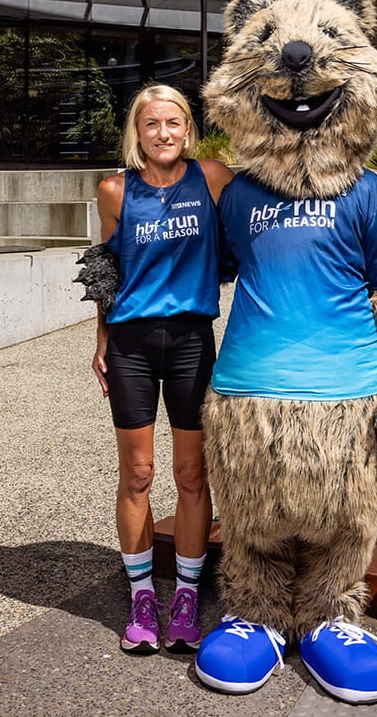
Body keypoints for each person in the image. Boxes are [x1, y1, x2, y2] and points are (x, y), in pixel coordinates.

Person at [92, 84, 233, 655]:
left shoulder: (215, 178)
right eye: (152, 124)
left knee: (193, 475)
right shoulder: (114, 191)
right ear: (137, 132)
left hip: (192, 342)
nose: (163, 133)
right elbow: (105, 270)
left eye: (173, 122)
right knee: (139, 474)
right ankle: (143, 595)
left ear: (188, 128)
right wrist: (100, 338)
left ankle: (187, 596)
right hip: (130, 345)